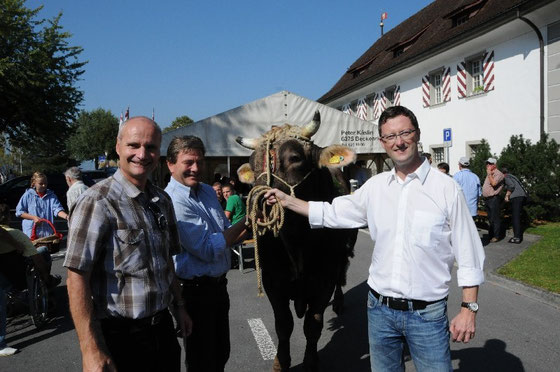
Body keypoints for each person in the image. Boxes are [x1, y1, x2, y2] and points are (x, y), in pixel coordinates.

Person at [264, 106, 485, 372]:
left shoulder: (447, 189)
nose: (398, 141)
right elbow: (333, 212)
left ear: (417, 135)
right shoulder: (376, 187)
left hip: (426, 315)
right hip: (380, 312)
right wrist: (287, 200)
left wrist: (468, 309)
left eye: (405, 133)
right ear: (382, 142)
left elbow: (469, 253)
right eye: (390, 136)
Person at [64, 117, 192, 372]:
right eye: (134, 145)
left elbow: (167, 260)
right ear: (118, 146)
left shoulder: (162, 200)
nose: (142, 154)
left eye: (151, 147)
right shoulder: (97, 201)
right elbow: (76, 277)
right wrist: (90, 350)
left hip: (162, 330)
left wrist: (180, 307)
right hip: (120, 338)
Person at [165, 135, 250, 372]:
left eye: (200, 162)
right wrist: (247, 220)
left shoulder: (206, 191)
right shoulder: (172, 201)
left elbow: (224, 235)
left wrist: (253, 226)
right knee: (202, 360)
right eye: (188, 162)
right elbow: (208, 249)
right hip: (194, 294)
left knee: (221, 353)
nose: (195, 168)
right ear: (171, 164)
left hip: (218, 288)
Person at [0, 204, 57, 357]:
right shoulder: (15, 234)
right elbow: (35, 259)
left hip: (5, 279)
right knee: (42, 252)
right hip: (19, 278)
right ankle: (48, 280)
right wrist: (44, 275)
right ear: (7, 217)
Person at [501, 168, 528, 244]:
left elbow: (511, 186)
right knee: (517, 216)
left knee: (515, 217)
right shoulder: (512, 176)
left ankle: (517, 238)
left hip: (516, 197)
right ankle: (518, 235)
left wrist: (507, 195)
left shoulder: (506, 177)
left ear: (502, 174)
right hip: (521, 197)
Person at [482, 158, 505, 242]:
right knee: (490, 218)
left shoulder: (498, 174)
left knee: (495, 218)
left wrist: (489, 174)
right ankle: (491, 235)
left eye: (490, 164)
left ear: (494, 165)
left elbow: (494, 183)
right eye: (487, 163)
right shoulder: (490, 173)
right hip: (487, 199)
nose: (488, 165)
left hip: (493, 199)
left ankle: (496, 236)